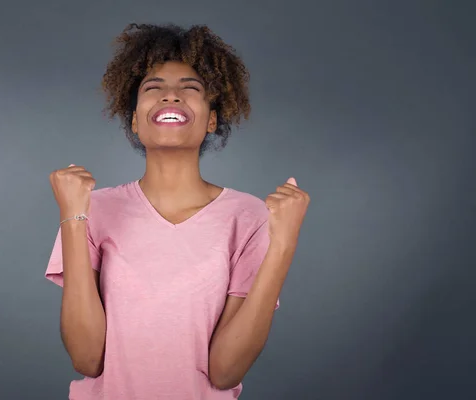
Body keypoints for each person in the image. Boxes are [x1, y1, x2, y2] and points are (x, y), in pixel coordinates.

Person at [45, 23, 310, 400]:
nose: (171, 96)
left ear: (212, 119)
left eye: (190, 88)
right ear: (135, 121)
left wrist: (282, 246)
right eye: (153, 88)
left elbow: (225, 371)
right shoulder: (91, 209)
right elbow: (86, 358)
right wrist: (72, 217)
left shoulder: (249, 217)